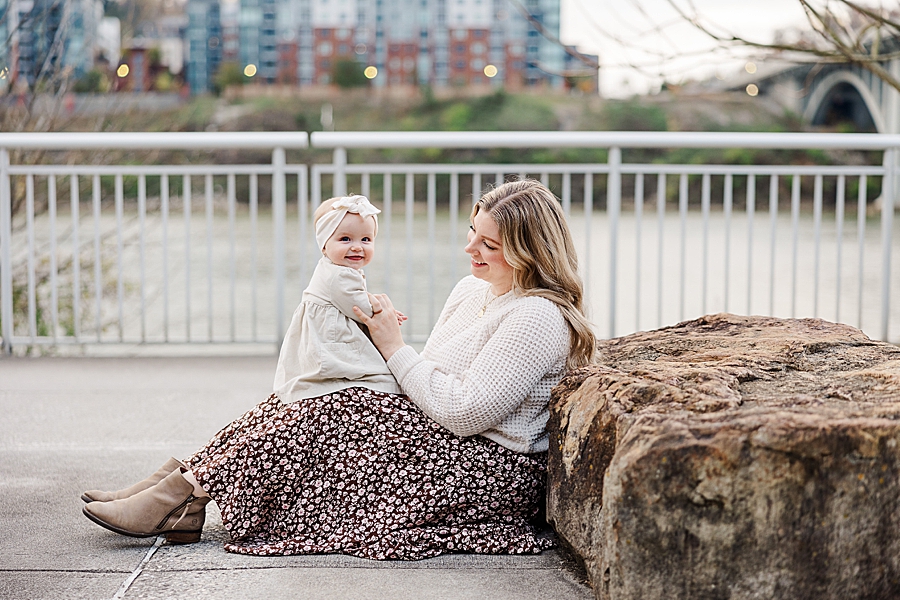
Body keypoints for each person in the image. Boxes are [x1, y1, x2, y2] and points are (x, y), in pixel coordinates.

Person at [81, 179, 596, 560]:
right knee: (308, 395)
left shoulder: (538, 317)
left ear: (530, 250)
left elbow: (465, 411)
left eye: (489, 244)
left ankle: (181, 497)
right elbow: (432, 370)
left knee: (335, 408)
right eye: (472, 234)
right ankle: (180, 488)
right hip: (445, 434)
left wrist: (392, 347)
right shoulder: (472, 291)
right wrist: (386, 357)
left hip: (488, 465)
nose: (469, 249)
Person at [273, 194, 403, 405]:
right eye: (345, 239)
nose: (357, 246)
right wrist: (382, 313)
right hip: (330, 335)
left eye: (366, 239)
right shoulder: (340, 275)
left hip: (324, 330)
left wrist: (368, 299)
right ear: (324, 245)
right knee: (361, 370)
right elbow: (357, 306)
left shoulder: (333, 268)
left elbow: (350, 296)